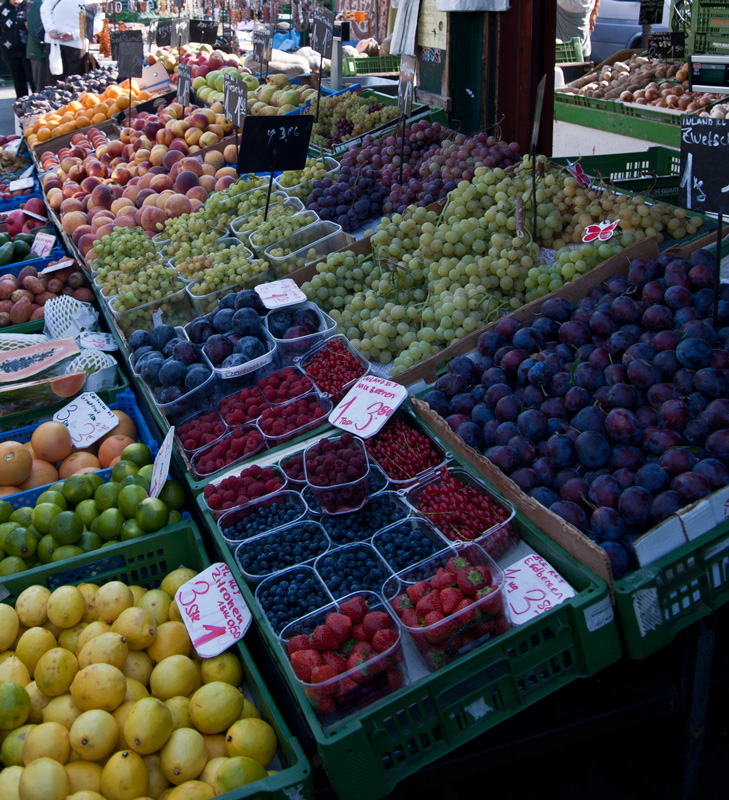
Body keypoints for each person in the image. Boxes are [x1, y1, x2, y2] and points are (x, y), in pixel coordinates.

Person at [40, 0, 88, 79]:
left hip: (77, 44)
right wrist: (51, 28)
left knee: (77, 82)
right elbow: (45, 7)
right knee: (55, 82)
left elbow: (97, 22)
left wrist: (74, 34)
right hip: (54, 42)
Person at [0, 0, 34, 98]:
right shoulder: (3, 9)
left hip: (29, 50)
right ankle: (22, 108)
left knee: (33, 80)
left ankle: (37, 106)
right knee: (18, 82)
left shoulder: (30, 6)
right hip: (10, 51)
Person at [25, 0, 46, 91]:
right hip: (38, 51)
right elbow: (33, 28)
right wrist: (43, 44)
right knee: (41, 87)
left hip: (44, 50)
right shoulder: (38, 4)